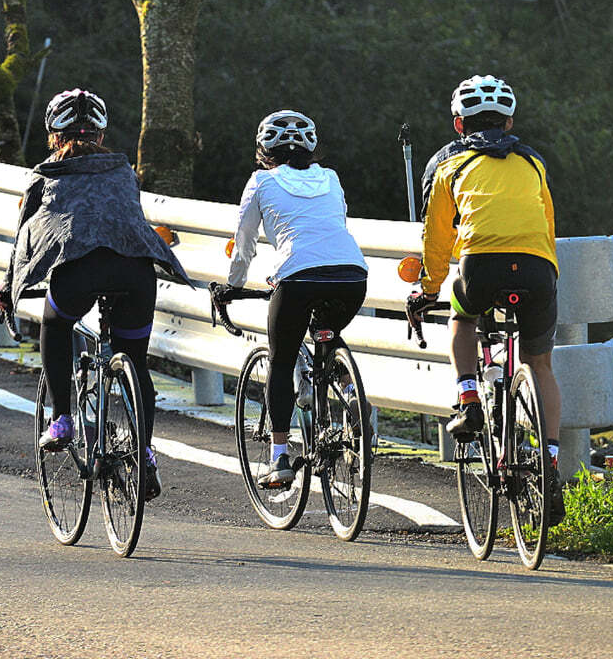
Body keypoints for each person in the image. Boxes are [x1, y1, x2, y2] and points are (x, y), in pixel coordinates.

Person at [0, 89, 192, 500]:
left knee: (55, 323)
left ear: (53, 134)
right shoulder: (124, 172)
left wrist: (9, 287)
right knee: (135, 361)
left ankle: (63, 418)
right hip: (136, 272)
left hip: (78, 271)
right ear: (101, 136)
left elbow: (24, 240)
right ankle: (144, 451)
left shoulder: (44, 174)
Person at [408, 74, 566, 525]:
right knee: (540, 365)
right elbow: (548, 223)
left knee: (463, 319)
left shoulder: (448, 165)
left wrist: (430, 288)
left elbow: (437, 238)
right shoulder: (533, 162)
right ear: (511, 121)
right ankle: (549, 461)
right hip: (538, 267)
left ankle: (469, 398)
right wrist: (548, 277)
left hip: (480, 264)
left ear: (459, 126)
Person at [227, 109, 369, 491]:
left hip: (298, 276)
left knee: (281, 357)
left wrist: (234, 284)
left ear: (262, 149)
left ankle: (279, 459)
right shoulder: (332, 177)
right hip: (352, 275)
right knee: (326, 332)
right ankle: (352, 395)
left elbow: (244, 244)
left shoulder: (260, 181)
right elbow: (335, 222)